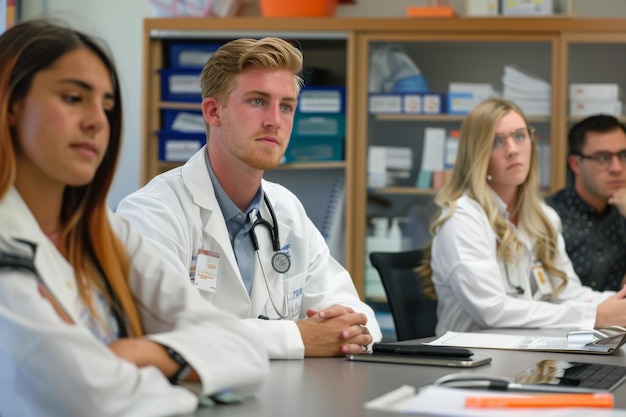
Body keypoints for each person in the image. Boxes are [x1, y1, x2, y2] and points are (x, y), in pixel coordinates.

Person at [0, 20, 269, 417]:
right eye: (73, 98)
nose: (97, 121)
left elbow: (246, 352)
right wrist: (186, 375)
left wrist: (139, 353)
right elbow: (91, 396)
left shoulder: (105, 231)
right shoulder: (9, 249)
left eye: (106, 106)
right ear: (11, 105)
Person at [117, 37, 381, 358]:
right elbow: (167, 332)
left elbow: (355, 313)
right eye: (257, 101)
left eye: (286, 106)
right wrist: (298, 337)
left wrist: (342, 330)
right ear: (214, 111)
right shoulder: (152, 213)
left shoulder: (286, 209)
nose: (275, 120)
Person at [418, 97, 626, 336]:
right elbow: (491, 311)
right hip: (474, 361)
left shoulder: (543, 217)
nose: (513, 150)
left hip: (533, 356)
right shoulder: (462, 219)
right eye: (497, 141)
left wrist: (616, 303)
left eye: (519, 136)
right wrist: (595, 316)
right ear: (477, 154)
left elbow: (566, 292)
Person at [546, 115, 626, 291]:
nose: (617, 168)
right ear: (575, 164)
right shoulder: (549, 215)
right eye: (603, 158)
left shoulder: (623, 211)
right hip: (566, 316)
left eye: (623, 155)